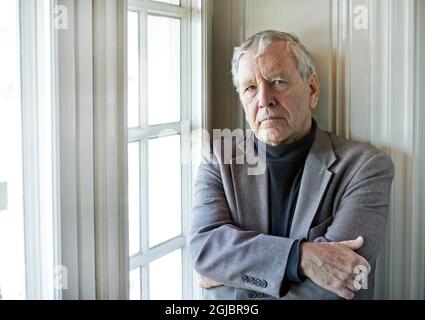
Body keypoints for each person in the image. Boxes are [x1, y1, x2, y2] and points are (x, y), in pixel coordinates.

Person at [189, 30, 395, 300]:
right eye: (250, 88)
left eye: (278, 81)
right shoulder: (218, 156)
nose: (264, 100)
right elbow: (205, 250)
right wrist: (304, 257)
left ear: (312, 89)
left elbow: (342, 282)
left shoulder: (366, 167)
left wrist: (232, 272)